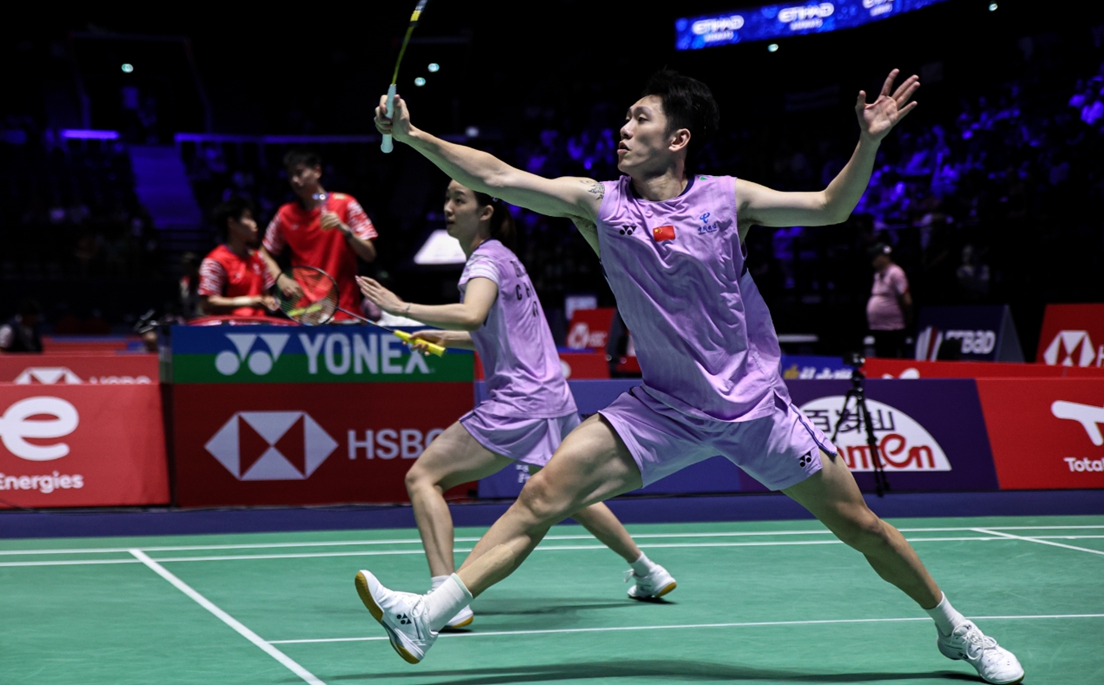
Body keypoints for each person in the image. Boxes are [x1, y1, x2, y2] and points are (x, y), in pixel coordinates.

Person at [357, 70, 1024, 685]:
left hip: (754, 407)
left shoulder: (727, 199)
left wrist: (869, 141)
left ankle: (957, 630)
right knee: (544, 494)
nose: (623, 128)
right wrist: (413, 134)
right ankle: (428, 615)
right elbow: (499, 176)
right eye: (623, 118)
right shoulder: (602, 206)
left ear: (676, 138)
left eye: (638, 119)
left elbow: (829, 206)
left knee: (861, 527)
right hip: (665, 407)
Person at [355, 179, 676, 635]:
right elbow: (494, 331)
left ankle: (445, 595)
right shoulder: (505, 257)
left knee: (423, 477)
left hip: (519, 402)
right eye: (445, 198)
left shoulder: (483, 261)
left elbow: (473, 314)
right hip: (553, 397)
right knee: (569, 494)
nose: (448, 207)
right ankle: (648, 572)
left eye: (459, 200)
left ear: (485, 212)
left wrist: (401, 306)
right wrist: (446, 338)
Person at [262, 150, 378, 319]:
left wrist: (344, 229)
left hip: (344, 310)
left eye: (300, 173)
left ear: (317, 171)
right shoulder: (284, 214)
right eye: (291, 175)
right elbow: (264, 252)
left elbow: (369, 254)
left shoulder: (346, 204)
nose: (295, 180)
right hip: (304, 313)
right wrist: (280, 278)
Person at [198, 197, 277, 317]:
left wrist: (270, 302)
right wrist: (247, 302)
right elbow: (208, 303)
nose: (254, 224)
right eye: (248, 218)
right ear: (232, 223)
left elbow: (265, 296)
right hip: (227, 331)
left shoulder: (259, 257)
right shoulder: (214, 261)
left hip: (260, 327)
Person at [866, 242, 912, 358]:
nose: (873, 261)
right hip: (878, 327)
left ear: (884, 257)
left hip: (893, 328)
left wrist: (907, 320)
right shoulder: (877, 275)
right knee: (881, 357)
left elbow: (906, 300)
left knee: (892, 358)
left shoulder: (896, 273)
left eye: (875, 257)